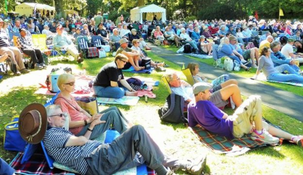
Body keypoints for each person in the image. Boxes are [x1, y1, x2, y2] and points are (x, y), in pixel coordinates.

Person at [38, 104, 207, 175]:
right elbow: (81, 141)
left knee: (146, 151)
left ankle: (188, 165)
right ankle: (164, 172)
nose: (63, 116)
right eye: (59, 114)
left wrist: (91, 127)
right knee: (137, 131)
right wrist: (86, 127)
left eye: (63, 114)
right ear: (49, 120)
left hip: (100, 157)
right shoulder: (51, 135)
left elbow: (83, 139)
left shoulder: (58, 132)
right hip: (97, 160)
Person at [188, 82, 303, 146]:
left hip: (233, 130)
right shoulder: (206, 104)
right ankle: (259, 133)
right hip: (233, 125)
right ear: (201, 94)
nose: (210, 93)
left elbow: (192, 124)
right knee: (255, 98)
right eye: (208, 91)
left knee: (261, 123)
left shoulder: (191, 106)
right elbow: (225, 116)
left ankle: (293, 137)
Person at [54, 73, 130, 139]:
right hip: (81, 131)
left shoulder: (69, 96)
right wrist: (87, 121)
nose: (74, 85)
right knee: (112, 114)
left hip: (87, 123)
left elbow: (81, 110)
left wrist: (92, 118)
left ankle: (128, 126)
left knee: (114, 108)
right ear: (63, 86)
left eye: (74, 83)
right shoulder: (61, 101)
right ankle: (129, 136)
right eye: (71, 83)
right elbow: (68, 124)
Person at [166, 72, 242, 109]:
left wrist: (186, 84)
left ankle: (237, 102)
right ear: (171, 83)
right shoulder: (177, 91)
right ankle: (242, 111)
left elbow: (191, 89)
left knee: (233, 81)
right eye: (177, 79)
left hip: (207, 91)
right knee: (233, 87)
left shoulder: (180, 86)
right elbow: (192, 101)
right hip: (205, 97)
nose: (180, 79)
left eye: (179, 78)